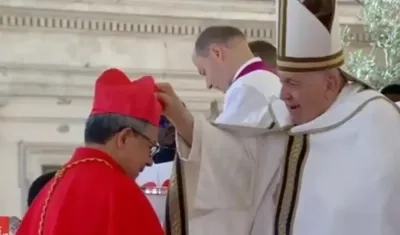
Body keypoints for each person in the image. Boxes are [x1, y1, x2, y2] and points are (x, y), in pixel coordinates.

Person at [159, 0, 400, 234]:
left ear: (330, 83)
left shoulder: (377, 125)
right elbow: (240, 168)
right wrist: (183, 120)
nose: (283, 94)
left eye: (293, 83)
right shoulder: (283, 119)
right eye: (282, 80)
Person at [163, 25, 282, 235]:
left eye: (204, 72)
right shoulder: (267, 81)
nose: (208, 83)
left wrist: (182, 118)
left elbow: (229, 163)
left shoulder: (248, 88)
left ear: (217, 53)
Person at [17, 69, 164, 235]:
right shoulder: (121, 193)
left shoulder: (49, 191)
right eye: (150, 146)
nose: (150, 161)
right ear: (124, 138)